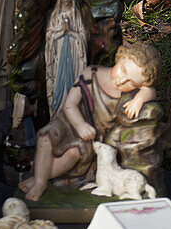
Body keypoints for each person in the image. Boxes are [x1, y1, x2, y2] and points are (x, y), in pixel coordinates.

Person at [19, 41, 161, 201]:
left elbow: (150, 90)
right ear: (120, 57)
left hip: (91, 136)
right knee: (45, 139)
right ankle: (40, 182)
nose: (122, 81)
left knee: (73, 154)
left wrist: (139, 99)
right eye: (123, 70)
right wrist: (80, 125)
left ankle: (41, 177)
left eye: (131, 83)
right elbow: (70, 105)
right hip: (71, 121)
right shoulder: (90, 74)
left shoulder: (129, 91)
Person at [44, 0, 88, 116]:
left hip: (73, 54)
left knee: (73, 80)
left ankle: (73, 110)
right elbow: (49, 36)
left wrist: (71, 32)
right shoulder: (56, 15)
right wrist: (62, 32)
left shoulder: (76, 14)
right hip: (58, 54)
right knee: (58, 81)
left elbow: (82, 34)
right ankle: (58, 113)